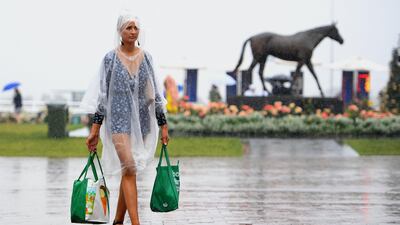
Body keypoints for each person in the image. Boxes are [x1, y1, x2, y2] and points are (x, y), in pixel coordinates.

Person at [80, 13, 169, 225]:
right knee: (129, 167)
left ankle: (119, 220)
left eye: (135, 28)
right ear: (120, 31)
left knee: (128, 170)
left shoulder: (147, 58)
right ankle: (136, 223)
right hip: (117, 121)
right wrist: (95, 130)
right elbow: (103, 96)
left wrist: (163, 125)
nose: (132, 31)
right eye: (128, 27)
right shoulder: (110, 59)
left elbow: (156, 93)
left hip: (142, 121)